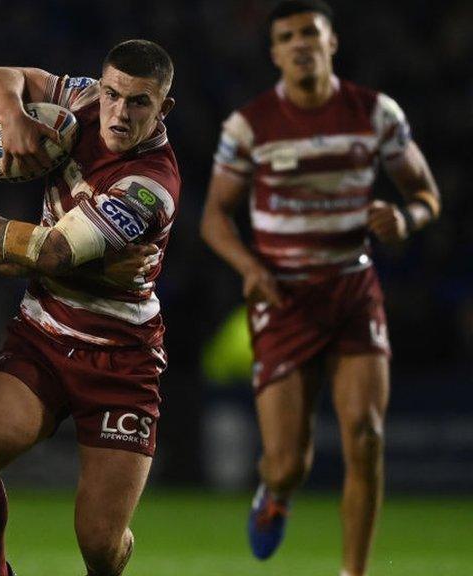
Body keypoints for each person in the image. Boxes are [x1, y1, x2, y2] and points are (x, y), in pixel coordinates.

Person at [0, 39, 179, 576]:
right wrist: (13, 115)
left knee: (98, 543)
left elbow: (55, 250)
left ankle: (115, 551)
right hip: (44, 335)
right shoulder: (83, 99)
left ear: (163, 108)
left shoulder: (150, 185)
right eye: (113, 93)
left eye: (139, 102)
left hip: (121, 360)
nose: (118, 111)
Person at [200, 1, 442, 574]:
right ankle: (276, 491)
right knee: (287, 463)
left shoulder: (375, 113)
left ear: (332, 42)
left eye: (311, 32)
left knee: (366, 435)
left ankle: (352, 571)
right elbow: (213, 216)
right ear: (274, 53)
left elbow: (427, 195)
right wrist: (249, 267)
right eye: (287, 36)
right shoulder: (249, 125)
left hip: (352, 288)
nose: (300, 43)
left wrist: (405, 220)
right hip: (283, 299)